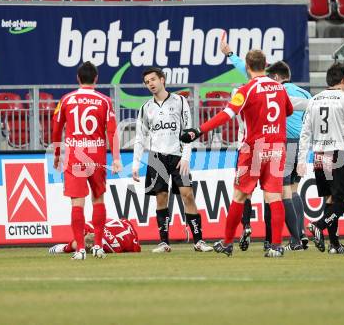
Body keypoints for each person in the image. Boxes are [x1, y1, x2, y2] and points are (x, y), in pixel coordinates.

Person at [181, 50, 293, 257]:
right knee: (274, 197)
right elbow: (289, 111)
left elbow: (227, 114)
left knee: (240, 196)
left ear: (248, 67)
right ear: (266, 64)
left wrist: (199, 131)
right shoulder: (279, 87)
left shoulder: (246, 89)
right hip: (278, 147)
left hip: (253, 149)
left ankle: (227, 242)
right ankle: (276, 246)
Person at [220, 41, 311, 252]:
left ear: (276, 77)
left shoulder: (273, 88)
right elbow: (308, 112)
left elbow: (251, 74)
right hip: (299, 144)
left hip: (273, 142)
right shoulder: (304, 93)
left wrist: (231, 54)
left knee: (264, 193)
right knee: (291, 192)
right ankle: (298, 235)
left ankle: (267, 236)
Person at [132, 67, 213, 253]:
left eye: (153, 79)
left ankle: (199, 241)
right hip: (156, 158)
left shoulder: (180, 101)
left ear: (162, 79)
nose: (150, 84)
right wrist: (136, 164)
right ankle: (164, 242)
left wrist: (185, 157)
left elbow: (189, 131)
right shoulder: (146, 108)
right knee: (161, 198)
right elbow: (140, 137)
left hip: (178, 155)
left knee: (188, 195)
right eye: (147, 82)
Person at [53, 61, 122, 261]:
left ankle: (80, 249)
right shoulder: (105, 101)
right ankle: (98, 247)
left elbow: (57, 129)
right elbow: (112, 131)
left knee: (77, 203)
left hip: (75, 156)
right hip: (97, 156)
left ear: (78, 78)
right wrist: (116, 158)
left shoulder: (66, 99)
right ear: (96, 79)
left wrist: (57, 154)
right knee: (98, 199)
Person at [297, 62, 344, 254]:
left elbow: (305, 133)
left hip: (319, 155)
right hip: (339, 155)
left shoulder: (314, 100)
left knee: (330, 199)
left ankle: (334, 245)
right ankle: (319, 225)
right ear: (343, 80)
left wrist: (302, 160)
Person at [49, 219, 141, 254]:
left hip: (126, 229)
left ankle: (63, 248)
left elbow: (135, 249)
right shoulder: (88, 227)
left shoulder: (113, 247)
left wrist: (66, 248)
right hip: (125, 225)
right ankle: (63, 248)